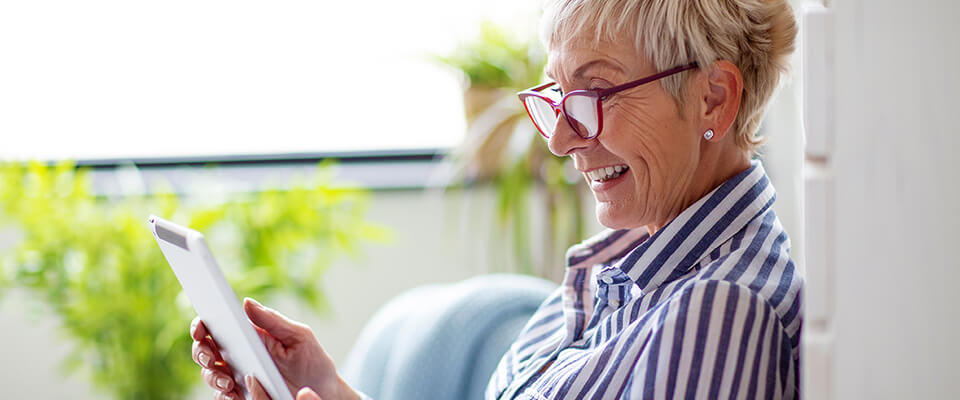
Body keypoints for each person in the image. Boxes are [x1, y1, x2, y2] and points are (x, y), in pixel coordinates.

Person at [191, 0, 802, 398]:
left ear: (712, 99)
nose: (561, 140)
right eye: (557, 99)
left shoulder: (719, 314)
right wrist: (321, 382)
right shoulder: (622, 266)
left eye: (594, 95)